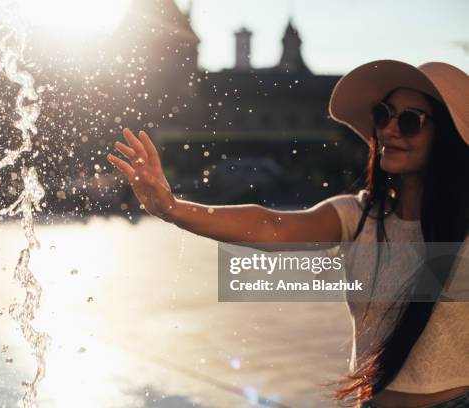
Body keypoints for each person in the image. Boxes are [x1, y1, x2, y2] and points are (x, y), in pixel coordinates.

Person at [106, 60, 469, 408]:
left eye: (409, 121)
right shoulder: (357, 218)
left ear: (448, 137)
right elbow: (271, 226)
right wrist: (172, 208)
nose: (389, 129)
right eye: (382, 115)